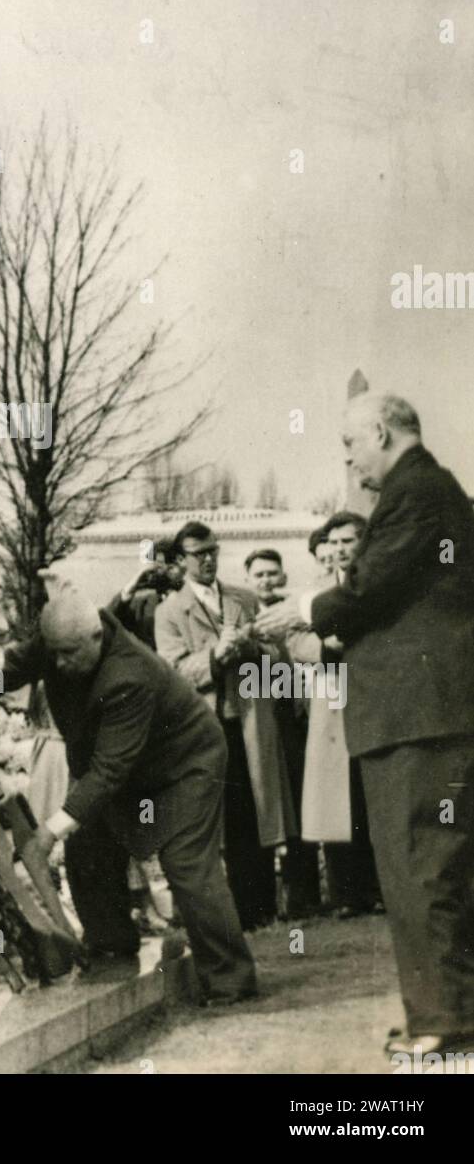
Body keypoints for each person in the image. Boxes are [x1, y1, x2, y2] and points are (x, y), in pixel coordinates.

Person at [257, 393, 474, 1057]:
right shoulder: (431, 492)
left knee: (418, 868)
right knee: (434, 866)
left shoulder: (416, 492)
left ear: (379, 432)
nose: (347, 458)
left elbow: (372, 585)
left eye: (349, 445)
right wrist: (326, 643)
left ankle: (441, 1022)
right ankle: (446, 1010)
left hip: (415, 717)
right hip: (427, 712)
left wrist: (299, 610)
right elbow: (399, 606)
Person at [5, 578, 257, 1004]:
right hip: (122, 766)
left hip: (185, 763)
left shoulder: (129, 676)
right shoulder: (58, 638)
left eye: (69, 654)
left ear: (96, 638)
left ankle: (231, 976)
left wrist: (47, 833)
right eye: (54, 653)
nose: (59, 665)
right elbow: (6, 673)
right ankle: (110, 943)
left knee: (187, 863)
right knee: (88, 848)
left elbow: (108, 772)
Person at [156, 522, 295, 930]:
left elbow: (280, 662)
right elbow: (175, 672)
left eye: (213, 550)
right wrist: (216, 656)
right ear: (180, 561)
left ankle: (262, 910)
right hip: (207, 729)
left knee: (256, 811)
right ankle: (230, 915)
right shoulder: (169, 612)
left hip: (251, 721)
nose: (209, 559)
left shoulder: (245, 598)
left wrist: (251, 648)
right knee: (220, 821)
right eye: (199, 553)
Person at [289, 513, 381, 918]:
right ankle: (347, 892)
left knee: (371, 789)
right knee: (335, 791)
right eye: (336, 542)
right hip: (332, 694)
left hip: (374, 696)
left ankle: (379, 888)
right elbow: (293, 639)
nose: (342, 549)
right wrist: (329, 650)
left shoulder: (379, 585)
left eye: (350, 540)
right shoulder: (314, 594)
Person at [244, 548, 321, 918]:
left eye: (273, 573)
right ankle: (263, 901)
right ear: (248, 581)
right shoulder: (246, 621)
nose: (267, 581)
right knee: (263, 807)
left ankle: (304, 896)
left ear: (284, 577)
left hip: (294, 720)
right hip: (260, 723)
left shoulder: (297, 618)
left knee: (301, 805)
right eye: (259, 575)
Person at [108, 537, 183, 649]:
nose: (164, 572)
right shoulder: (142, 604)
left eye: (171, 566)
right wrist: (130, 588)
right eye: (156, 567)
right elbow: (108, 623)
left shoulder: (195, 596)